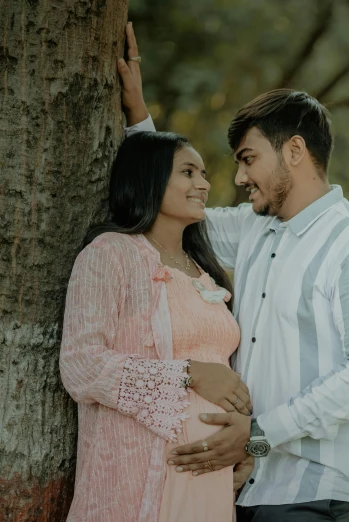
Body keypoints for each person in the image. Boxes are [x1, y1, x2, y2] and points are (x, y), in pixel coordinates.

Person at [118, 22, 349, 522]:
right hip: (254, 486)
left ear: (294, 152)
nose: (238, 177)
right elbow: (173, 212)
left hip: (326, 494)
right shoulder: (255, 231)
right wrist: (140, 121)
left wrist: (258, 434)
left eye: (249, 159)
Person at [60, 106, 255, 519]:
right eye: (188, 172)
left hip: (210, 476)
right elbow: (80, 365)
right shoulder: (110, 255)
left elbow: (225, 374)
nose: (203, 184)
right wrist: (190, 372)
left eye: (203, 174)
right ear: (150, 178)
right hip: (141, 478)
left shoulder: (204, 271)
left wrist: (246, 441)